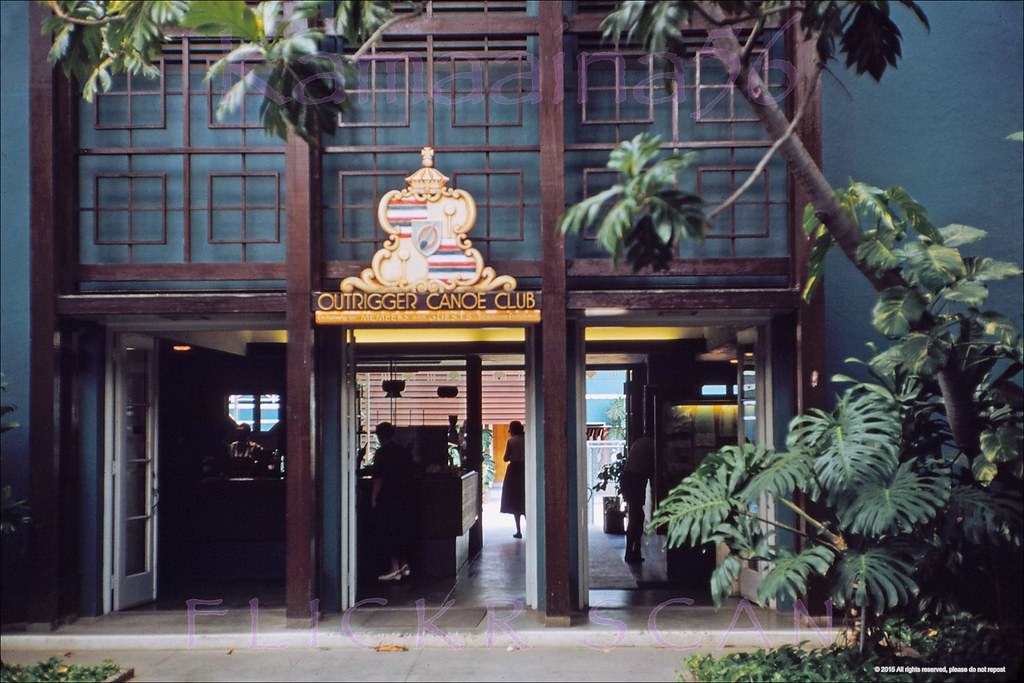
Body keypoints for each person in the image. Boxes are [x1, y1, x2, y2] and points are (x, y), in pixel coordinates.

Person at [371, 422, 414, 581]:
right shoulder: (403, 452)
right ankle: (404, 564)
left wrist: (374, 496)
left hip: (388, 497)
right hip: (406, 496)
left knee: (389, 530)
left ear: (380, 436)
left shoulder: (382, 453)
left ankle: (394, 567)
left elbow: (378, 477)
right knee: (403, 529)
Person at [621, 433, 654, 564]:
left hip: (629, 479)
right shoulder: (652, 445)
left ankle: (633, 551)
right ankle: (632, 552)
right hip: (635, 481)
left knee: (635, 517)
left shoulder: (640, 442)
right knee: (637, 518)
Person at [500, 421, 527, 539]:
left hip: (514, 470)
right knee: (525, 498)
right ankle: (531, 528)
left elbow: (505, 458)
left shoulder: (511, 441)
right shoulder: (527, 439)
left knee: (515, 500)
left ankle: (518, 530)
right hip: (525, 468)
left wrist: (512, 456)